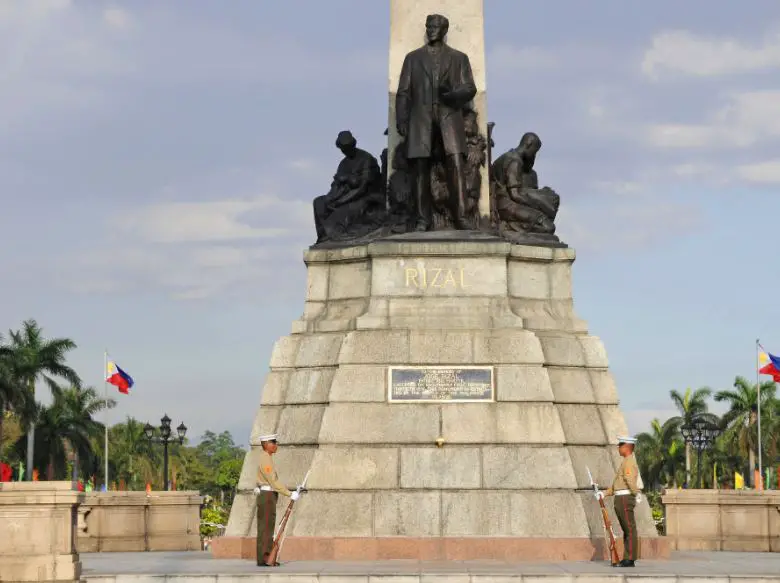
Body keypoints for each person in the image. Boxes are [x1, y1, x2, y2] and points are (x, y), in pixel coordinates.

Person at [395, 14, 477, 231]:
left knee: (456, 164)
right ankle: (423, 219)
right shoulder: (412, 58)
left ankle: (462, 217)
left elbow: (470, 88)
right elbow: (403, 92)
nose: (431, 29)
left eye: (436, 26)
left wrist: (452, 95)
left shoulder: (459, 58)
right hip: (420, 119)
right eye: (429, 26)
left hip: (449, 116)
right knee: (420, 168)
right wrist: (401, 119)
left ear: (444, 30)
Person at [312, 130, 384, 243]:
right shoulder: (343, 163)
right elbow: (336, 183)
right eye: (343, 149)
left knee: (341, 212)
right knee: (319, 202)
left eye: (347, 148)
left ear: (353, 144)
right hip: (342, 195)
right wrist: (331, 198)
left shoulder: (366, 159)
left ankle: (335, 234)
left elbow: (363, 188)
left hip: (363, 197)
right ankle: (324, 236)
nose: (345, 151)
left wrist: (341, 201)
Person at [595, 435, 642, 567]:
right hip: (620, 498)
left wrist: (636, 493)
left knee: (630, 529)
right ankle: (627, 557)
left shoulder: (629, 462)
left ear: (627, 447)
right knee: (627, 529)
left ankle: (630, 558)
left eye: (620, 445)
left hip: (624, 499)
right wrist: (604, 494)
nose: (618, 447)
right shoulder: (625, 461)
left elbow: (629, 480)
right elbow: (617, 485)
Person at [253, 433, 298, 567]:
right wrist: (289, 493)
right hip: (267, 496)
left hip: (267, 495)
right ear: (266, 445)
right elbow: (272, 480)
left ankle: (264, 558)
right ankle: (266, 557)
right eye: (273, 442)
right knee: (266, 527)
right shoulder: (265, 459)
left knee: (266, 527)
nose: (276, 445)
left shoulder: (266, 457)